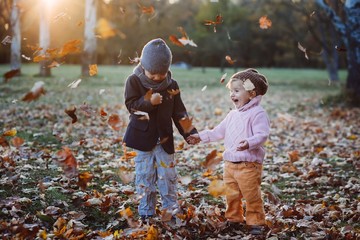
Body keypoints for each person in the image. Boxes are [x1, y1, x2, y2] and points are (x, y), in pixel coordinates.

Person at [187, 69, 270, 236]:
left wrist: (249, 143)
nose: (232, 94)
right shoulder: (232, 115)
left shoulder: (258, 113)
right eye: (231, 90)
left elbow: (262, 135)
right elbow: (217, 132)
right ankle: (234, 219)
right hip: (230, 165)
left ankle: (256, 222)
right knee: (231, 195)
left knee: (251, 195)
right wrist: (199, 137)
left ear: (252, 93)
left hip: (248, 165)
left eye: (237, 90)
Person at [123, 38, 197, 222]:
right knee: (144, 176)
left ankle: (170, 211)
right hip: (142, 141)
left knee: (168, 177)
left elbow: (179, 112)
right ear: (143, 65)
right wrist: (148, 102)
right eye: (153, 73)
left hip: (164, 141)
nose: (157, 77)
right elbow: (131, 106)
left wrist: (189, 132)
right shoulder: (134, 81)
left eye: (162, 73)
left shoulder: (171, 85)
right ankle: (146, 212)